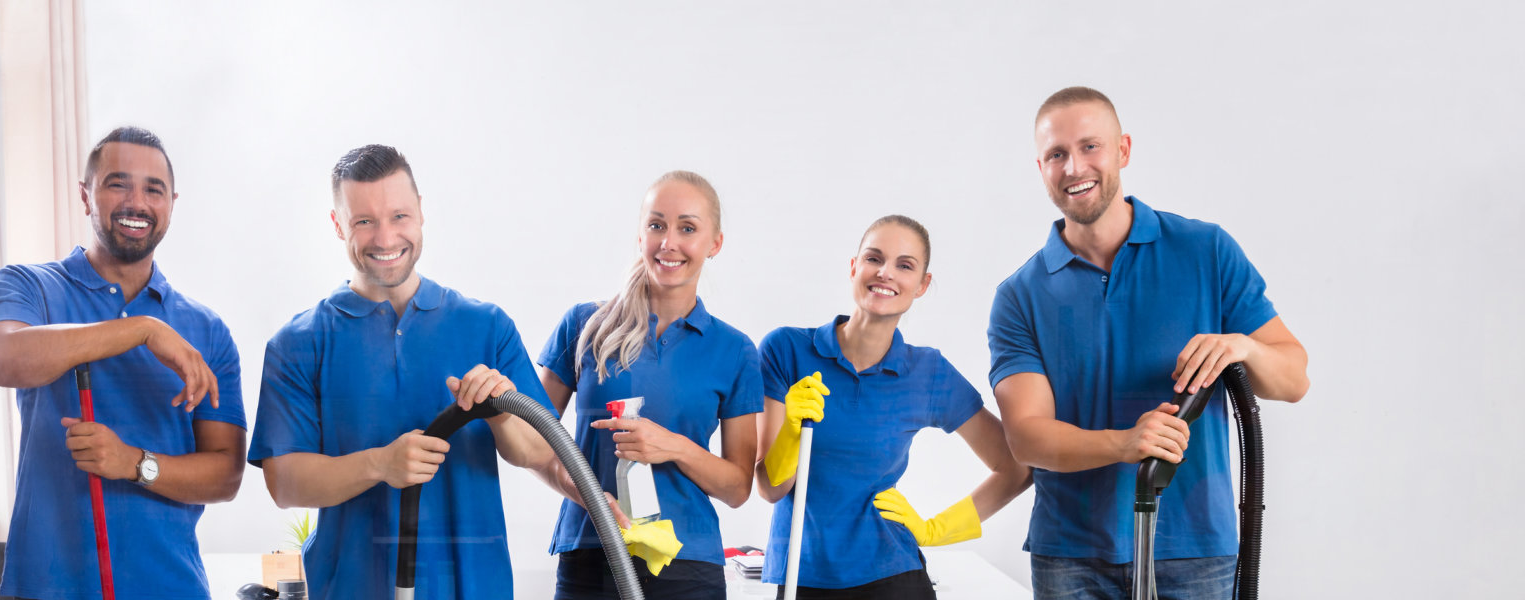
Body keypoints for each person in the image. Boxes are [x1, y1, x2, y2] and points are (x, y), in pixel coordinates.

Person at [989, 86, 1310, 600]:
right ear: (1041, 167)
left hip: (1196, 550)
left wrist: (1243, 348)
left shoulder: (1205, 251)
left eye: (1090, 146)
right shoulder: (1020, 295)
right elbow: (1027, 437)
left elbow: (1294, 380)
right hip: (1071, 556)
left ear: (1124, 150)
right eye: (1056, 154)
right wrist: (1124, 443)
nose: (1074, 167)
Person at [249, 144, 557, 600]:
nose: (385, 238)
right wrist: (379, 464)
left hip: (474, 586)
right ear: (338, 225)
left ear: (420, 214)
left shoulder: (486, 326)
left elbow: (541, 451)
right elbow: (284, 483)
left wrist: (500, 414)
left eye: (399, 216)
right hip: (352, 587)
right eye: (364, 221)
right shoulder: (298, 344)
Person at [0, 126, 247, 599]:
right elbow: (4, 358)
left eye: (153, 189)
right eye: (118, 183)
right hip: (48, 589)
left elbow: (225, 475)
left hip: (171, 587)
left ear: (171, 203)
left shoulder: (207, 330)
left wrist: (133, 463)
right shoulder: (29, 287)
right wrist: (141, 329)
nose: (136, 202)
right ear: (86, 195)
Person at [757, 215, 1032, 599]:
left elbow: (1016, 468)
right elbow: (770, 488)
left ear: (922, 285)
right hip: (804, 573)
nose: (885, 273)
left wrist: (935, 529)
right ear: (854, 267)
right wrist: (789, 429)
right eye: (874, 259)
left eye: (905, 266)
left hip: (892, 576)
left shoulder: (928, 372)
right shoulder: (786, 350)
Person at [533, 171, 761, 599]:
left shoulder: (734, 351)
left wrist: (672, 446)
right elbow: (530, 443)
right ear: (640, 235)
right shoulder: (584, 325)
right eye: (656, 225)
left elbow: (737, 487)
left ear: (714, 244)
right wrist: (586, 494)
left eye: (687, 228)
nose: (668, 242)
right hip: (590, 552)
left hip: (687, 566)